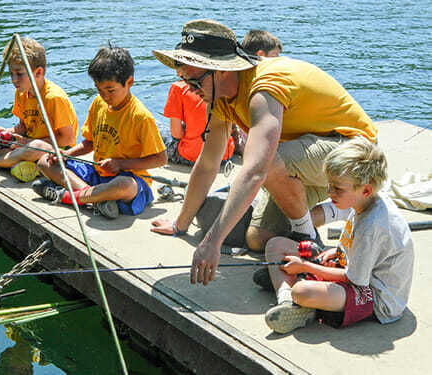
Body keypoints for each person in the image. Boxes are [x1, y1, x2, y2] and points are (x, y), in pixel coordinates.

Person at [150, 19, 377, 285]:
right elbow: (209, 162)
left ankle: (307, 236)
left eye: (195, 81)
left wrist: (212, 242)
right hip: (310, 158)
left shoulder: (264, 87)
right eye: (184, 80)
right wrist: (181, 225)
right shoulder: (222, 99)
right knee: (257, 238)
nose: (190, 89)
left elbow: (257, 168)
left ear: (221, 70)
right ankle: (338, 210)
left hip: (355, 152)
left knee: (265, 162)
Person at [263, 138, 414, 333]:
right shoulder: (365, 201)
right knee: (275, 245)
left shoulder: (372, 226)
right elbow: (357, 248)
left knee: (302, 291)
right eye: (329, 184)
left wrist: (307, 266)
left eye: (337, 188)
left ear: (366, 190)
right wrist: (337, 251)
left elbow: (355, 280)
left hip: (375, 297)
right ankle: (287, 301)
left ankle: (298, 295)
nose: (329, 191)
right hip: (354, 270)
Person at [33, 46, 167, 219]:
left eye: (110, 90)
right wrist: (67, 154)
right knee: (45, 160)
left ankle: (67, 196)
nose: (105, 96)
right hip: (98, 174)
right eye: (99, 89)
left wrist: (120, 164)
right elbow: (89, 142)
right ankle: (97, 199)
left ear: (129, 82)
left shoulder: (140, 116)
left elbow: (160, 159)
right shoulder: (98, 104)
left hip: (130, 178)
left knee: (123, 185)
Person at [0, 36, 78, 183]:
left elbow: (67, 139)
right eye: (11, 73)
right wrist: (9, 132)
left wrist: (29, 142)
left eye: (19, 74)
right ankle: (15, 163)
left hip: (53, 153)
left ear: (38, 73)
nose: (14, 79)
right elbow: (23, 127)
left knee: (35, 147)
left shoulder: (53, 97)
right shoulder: (21, 92)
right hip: (23, 148)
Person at [163, 76, 235, 165]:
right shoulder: (225, 85)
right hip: (224, 155)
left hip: (190, 155)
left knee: (161, 131)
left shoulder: (179, 87)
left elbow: (176, 134)